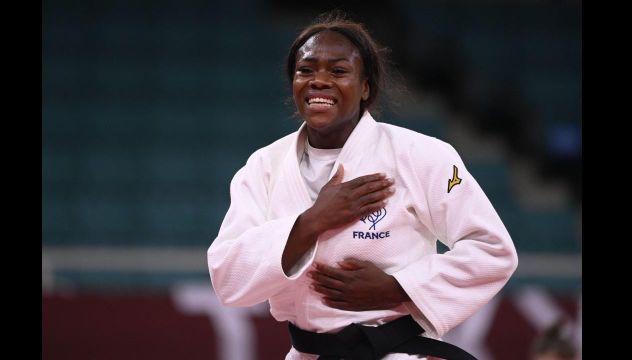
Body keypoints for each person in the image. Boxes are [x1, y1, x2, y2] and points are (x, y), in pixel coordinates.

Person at [207, 11, 518, 360]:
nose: (318, 81)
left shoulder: (422, 154)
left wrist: (398, 289)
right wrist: (311, 222)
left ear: (365, 86)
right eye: (305, 70)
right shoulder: (264, 167)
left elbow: (492, 250)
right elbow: (227, 277)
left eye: (338, 71)